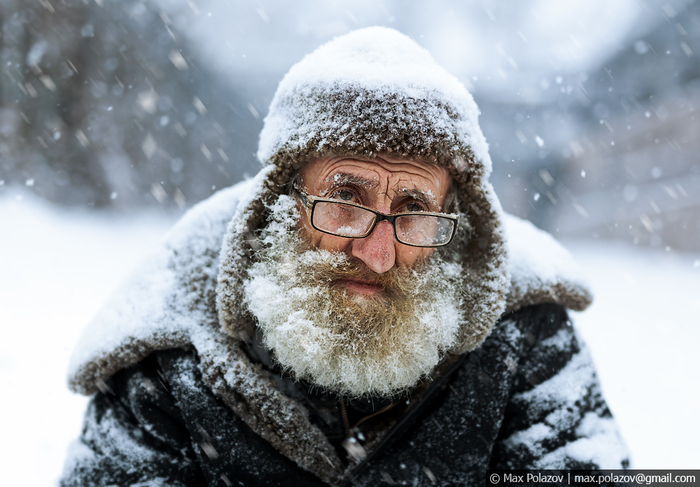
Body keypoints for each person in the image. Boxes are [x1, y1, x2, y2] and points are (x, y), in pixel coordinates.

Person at [61, 27, 629, 486]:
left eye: (413, 210)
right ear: (281, 201)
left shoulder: (523, 329)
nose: (377, 252)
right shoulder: (168, 346)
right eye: (344, 199)